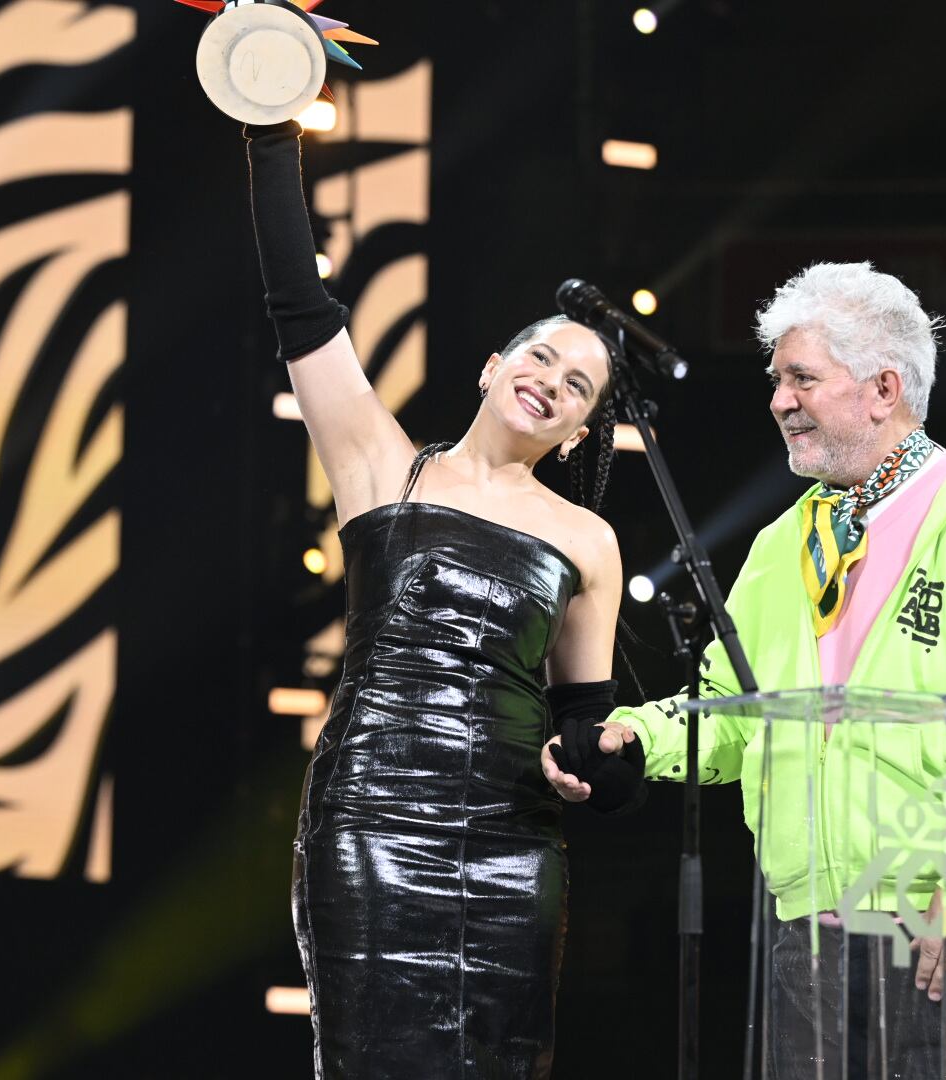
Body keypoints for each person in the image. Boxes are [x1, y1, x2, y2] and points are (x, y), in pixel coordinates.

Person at [543, 262, 946, 1078]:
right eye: (776, 379)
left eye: (802, 378)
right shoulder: (784, 544)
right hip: (810, 937)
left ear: (883, 389)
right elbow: (736, 708)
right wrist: (638, 735)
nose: (778, 400)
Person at [242, 119, 632, 1080]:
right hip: (374, 818)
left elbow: (594, 721)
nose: (552, 383)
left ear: (582, 432)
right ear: (494, 367)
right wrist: (268, 136)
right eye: (539, 358)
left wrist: (600, 770)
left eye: (579, 387)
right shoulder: (382, 465)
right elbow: (301, 303)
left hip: (514, 845)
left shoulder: (589, 540)